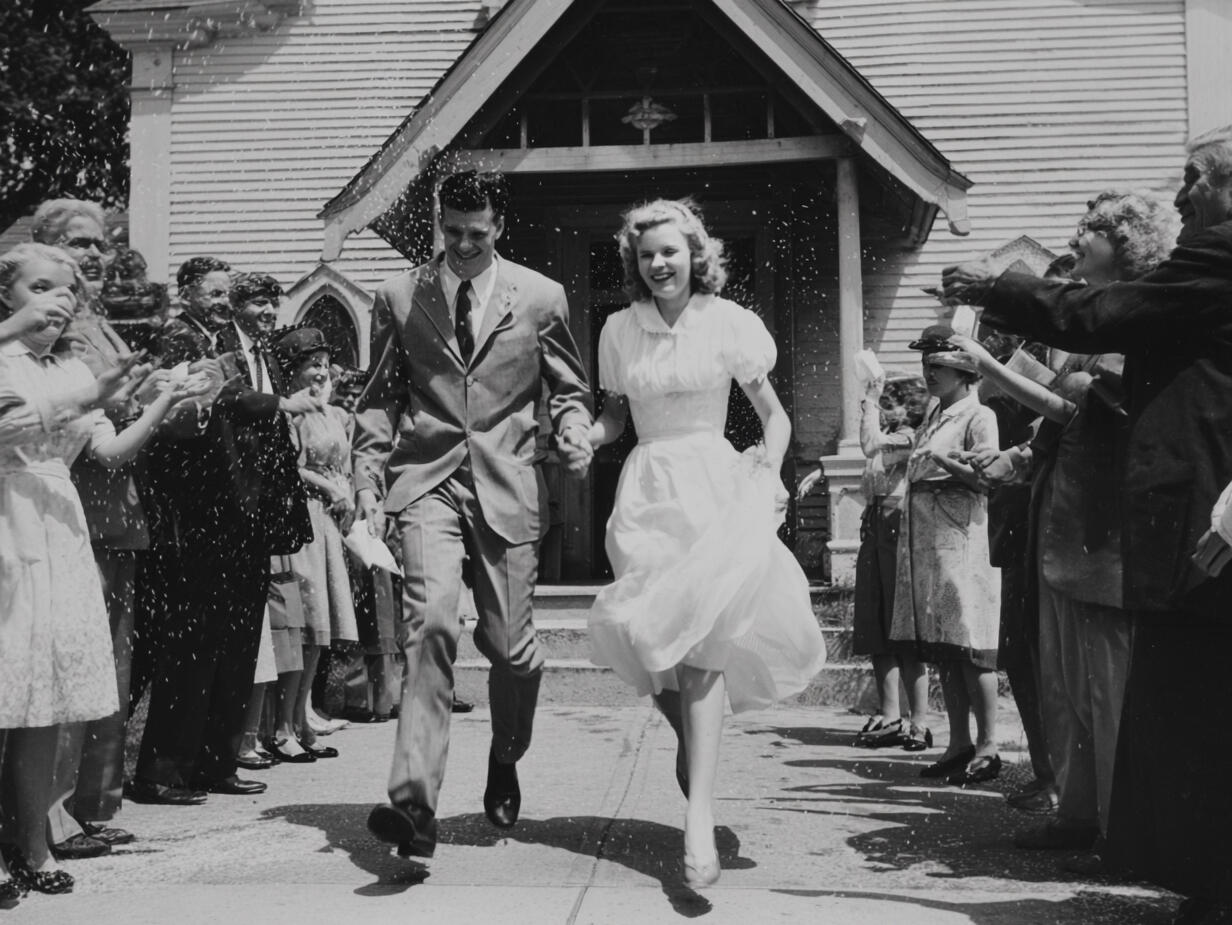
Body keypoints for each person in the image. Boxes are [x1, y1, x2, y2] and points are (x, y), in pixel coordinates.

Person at [942, 130, 1232, 925]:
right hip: (1181, 517)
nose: (1181, 197)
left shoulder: (1220, 256)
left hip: (1208, 514)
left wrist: (1000, 288)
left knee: (1198, 698)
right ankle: (1204, 874)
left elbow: (1107, 314)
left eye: (1195, 180)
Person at [584, 198, 827, 890]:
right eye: (647, 254)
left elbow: (774, 418)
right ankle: (696, 743)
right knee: (644, 635)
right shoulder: (617, 330)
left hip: (714, 487)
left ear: (696, 255)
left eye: (671, 251)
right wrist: (585, 436)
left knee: (703, 647)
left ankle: (699, 816)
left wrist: (767, 469)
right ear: (634, 262)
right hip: (647, 493)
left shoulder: (728, 323)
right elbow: (612, 418)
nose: (659, 263)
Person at [354, 170, 594, 860]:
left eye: (476, 233)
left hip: (508, 483)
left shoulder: (542, 297)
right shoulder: (400, 295)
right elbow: (378, 397)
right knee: (429, 623)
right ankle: (413, 804)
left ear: (499, 226)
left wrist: (573, 427)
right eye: (451, 230)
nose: (462, 243)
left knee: (513, 654)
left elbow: (569, 387)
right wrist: (369, 475)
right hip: (425, 479)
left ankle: (506, 754)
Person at [952, 190, 1176, 857]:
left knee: (1106, 683)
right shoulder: (1086, 330)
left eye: (1098, 228)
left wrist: (989, 368)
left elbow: (1086, 412)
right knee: (1065, 679)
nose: (1080, 236)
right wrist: (1018, 456)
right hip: (1063, 520)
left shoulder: (1136, 322)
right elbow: (1058, 423)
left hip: (1107, 529)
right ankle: (1077, 811)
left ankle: (1120, 823)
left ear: (1132, 241)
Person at [0, 243, 202, 896]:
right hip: (8, 519)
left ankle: (32, 840)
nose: (56, 304)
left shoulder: (63, 366)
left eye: (66, 293)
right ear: (7, 294)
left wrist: (161, 399)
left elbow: (109, 451)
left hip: (59, 522)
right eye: (39, 288)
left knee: (43, 700)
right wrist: (84, 390)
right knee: (4, 688)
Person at [129, 270, 314, 804]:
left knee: (236, 645)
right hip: (202, 521)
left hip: (251, 521)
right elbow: (223, 398)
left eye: (231, 293)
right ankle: (162, 772)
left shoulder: (265, 354)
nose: (227, 303)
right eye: (219, 293)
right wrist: (278, 403)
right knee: (191, 646)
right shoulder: (195, 343)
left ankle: (216, 762)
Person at [889, 326, 1002, 787]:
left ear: (964, 370)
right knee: (945, 648)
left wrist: (950, 463)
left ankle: (990, 744)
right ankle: (959, 744)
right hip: (927, 543)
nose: (928, 373)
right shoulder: (937, 414)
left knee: (972, 644)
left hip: (960, 539)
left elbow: (987, 476)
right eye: (926, 365)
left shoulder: (979, 415)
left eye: (938, 366)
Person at [802, 370, 930, 750]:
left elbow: (871, 443)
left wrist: (869, 402)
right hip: (876, 525)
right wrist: (820, 471)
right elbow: (870, 465)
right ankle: (890, 714)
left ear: (908, 407)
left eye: (889, 403)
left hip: (899, 525)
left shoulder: (911, 437)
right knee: (875, 626)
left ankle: (919, 721)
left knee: (902, 625)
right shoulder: (891, 439)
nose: (881, 409)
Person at [267, 325, 359, 762]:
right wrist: (329, 485)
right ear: (292, 371)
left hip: (329, 522)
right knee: (303, 625)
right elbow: (291, 468)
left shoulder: (331, 412)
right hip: (302, 515)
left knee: (323, 626)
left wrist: (348, 497)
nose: (321, 373)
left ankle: (303, 718)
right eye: (311, 365)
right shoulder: (291, 414)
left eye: (324, 364)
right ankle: (282, 724)